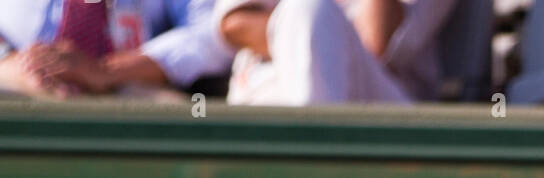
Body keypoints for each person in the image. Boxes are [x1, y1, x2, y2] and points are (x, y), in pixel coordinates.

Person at [214, 0, 465, 104]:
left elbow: (374, 42)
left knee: (311, 9)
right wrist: (299, 36)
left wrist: (315, 29)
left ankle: (308, 173)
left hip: (378, 113)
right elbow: (234, 24)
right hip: (265, 89)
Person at [0, 0, 232, 98]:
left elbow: (213, 31)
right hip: (17, 84)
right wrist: (13, 64)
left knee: (184, 113)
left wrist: (108, 71)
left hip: (132, 91)